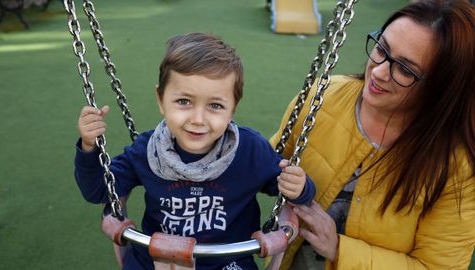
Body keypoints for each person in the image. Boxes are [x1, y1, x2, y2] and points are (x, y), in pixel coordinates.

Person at [74, 32, 316, 270]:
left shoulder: (250, 150)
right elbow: (99, 192)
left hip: (227, 262)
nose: (198, 119)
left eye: (215, 105)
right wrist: (89, 147)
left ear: (232, 109)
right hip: (157, 260)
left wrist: (299, 187)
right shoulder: (149, 151)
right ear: (161, 100)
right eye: (184, 102)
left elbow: (292, 194)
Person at [270, 0, 475, 269]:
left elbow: (437, 266)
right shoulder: (323, 97)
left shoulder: (455, 167)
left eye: (405, 69)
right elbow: (269, 162)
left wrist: (338, 248)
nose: (377, 72)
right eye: (381, 48)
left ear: (441, 87)